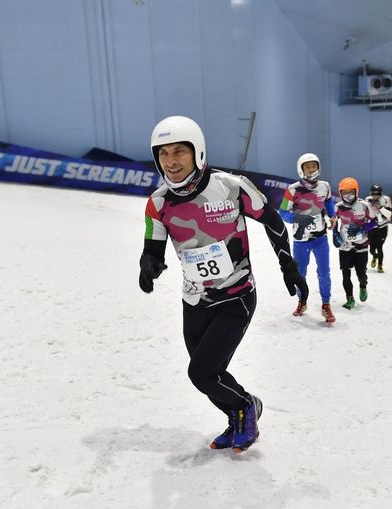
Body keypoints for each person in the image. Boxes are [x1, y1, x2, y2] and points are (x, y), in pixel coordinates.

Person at [138, 116, 308, 453]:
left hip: (237, 297)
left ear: (197, 152)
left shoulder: (231, 186)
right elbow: (152, 245)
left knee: (202, 373)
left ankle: (246, 407)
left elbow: (273, 221)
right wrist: (149, 264)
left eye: (178, 152)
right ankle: (239, 415)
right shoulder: (158, 203)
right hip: (194, 301)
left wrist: (287, 264)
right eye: (163, 154)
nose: (171, 162)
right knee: (208, 376)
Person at [278, 153, 336, 323]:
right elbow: (282, 212)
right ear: (301, 169)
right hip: (301, 240)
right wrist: (297, 218)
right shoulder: (292, 190)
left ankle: (326, 305)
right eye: (308, 166)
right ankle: (302, 301)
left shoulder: (324, 186)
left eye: (314, 166)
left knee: (324, 272)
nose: (312, 169)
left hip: (320, 238)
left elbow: (329, 202)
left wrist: (332, 216)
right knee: (300, 273)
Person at [332, 177, 378, 309]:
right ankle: (350, 299)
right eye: (344, 192)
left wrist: (364, 228)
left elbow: (375, 222)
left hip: (361, 245)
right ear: (340, 193)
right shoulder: (338, 207)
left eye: (351, 192)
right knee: (345, 273)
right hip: (345, 245)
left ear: (356, 191)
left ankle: (363, 286)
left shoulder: (364, 205)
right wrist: (335, 234)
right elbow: (333, 222)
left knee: (361, 274)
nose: (348, 195)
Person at [365, 184, 392, 273]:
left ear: (381, 193)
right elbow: (365, 213)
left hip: (382, 227)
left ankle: (380, 265)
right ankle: (375, 256)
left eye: (378, 193)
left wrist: (380, 207)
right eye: (373, 193)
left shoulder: (386, 199)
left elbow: (389, 214)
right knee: (371, 249)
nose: (375, 195)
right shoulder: (367, 199)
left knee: (379, 246)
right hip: (372, 227)